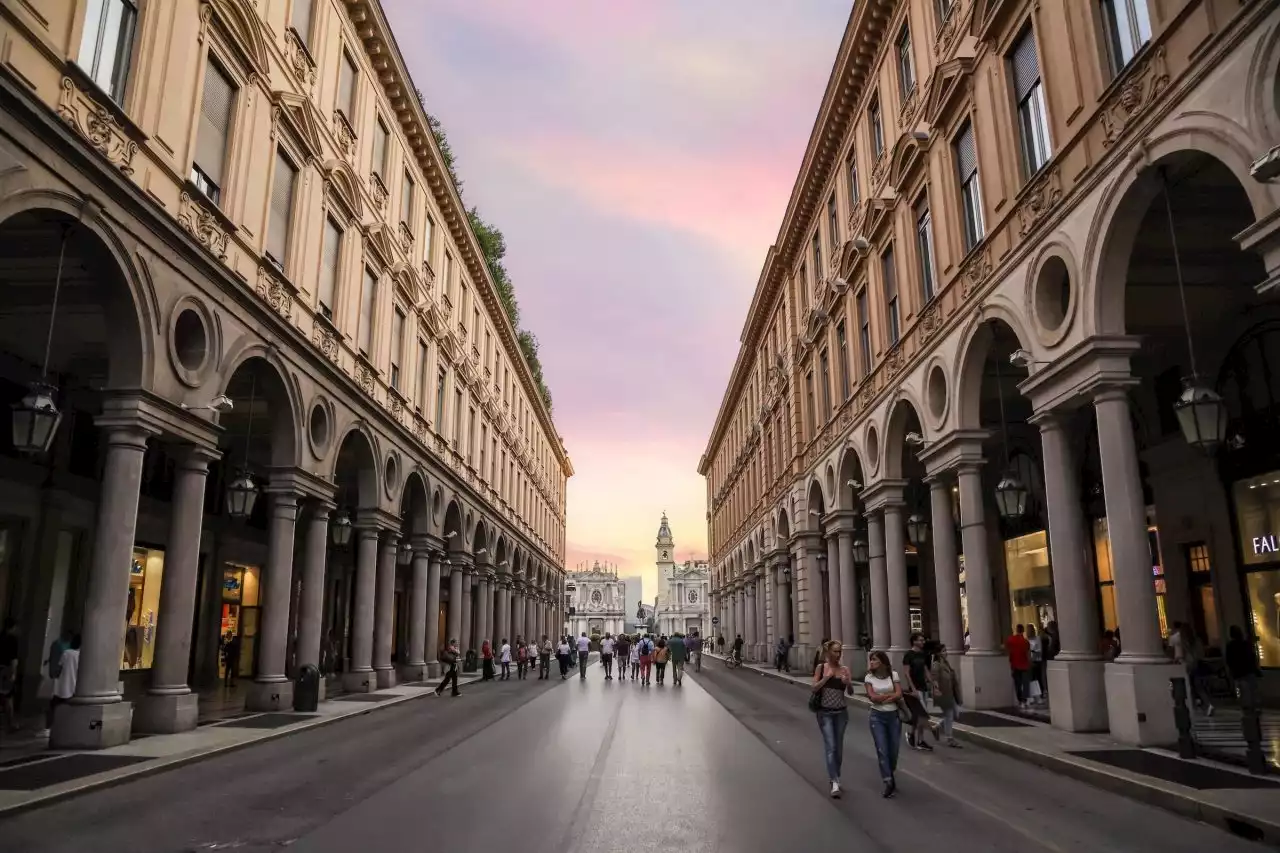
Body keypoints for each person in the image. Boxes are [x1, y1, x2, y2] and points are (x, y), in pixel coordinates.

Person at [812, 640, 854, 798]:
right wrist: (826, 678)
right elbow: (814, 687)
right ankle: (834, 781)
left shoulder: (844, 669)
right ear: (828, 652)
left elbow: (850, 693)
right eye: (835, 651)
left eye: (840, 651)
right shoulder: (821, 668)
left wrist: (848, 683)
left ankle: (836, 775)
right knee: (831, 747)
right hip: (825, 713)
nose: (838, 654)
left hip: (841, 713)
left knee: (839, 748)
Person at [864, 650, 904, 798]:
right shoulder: (869, 677)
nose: (872, 662)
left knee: (893, 751)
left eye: (874, 660)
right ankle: (888, 781)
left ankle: (890, 772)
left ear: (882, 661)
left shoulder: (893, 675)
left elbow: (899, 693)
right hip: (877, 717)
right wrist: (889, 696)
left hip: (893, 717)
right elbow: (872, 697)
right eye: (871, 660)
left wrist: (885, 697)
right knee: (882, 749)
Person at [39, 634, 80, 738]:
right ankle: (70, 728)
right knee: (72, 709)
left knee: (53, 706)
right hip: (75, 686)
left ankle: (48, 729)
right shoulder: (81, 655)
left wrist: (54, 674)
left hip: (62, 686)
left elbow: (59, 668)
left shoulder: (66, 653)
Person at [901, 632, 933, 751]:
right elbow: (906, 673)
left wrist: (932, 683)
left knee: (919, 715)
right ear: (914, 641)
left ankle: (913, 735)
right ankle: (920, 740)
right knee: (921, 715)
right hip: (915, 689)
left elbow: (925, 670)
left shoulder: (923, 654)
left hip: (923, 687)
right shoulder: (908, 655)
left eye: (923, 640)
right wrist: (913, 689)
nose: (923, 642)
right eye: (920, 640)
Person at [1176, 623, 1214, 716]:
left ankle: (1201, 706)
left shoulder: (1184, 642)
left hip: (1191, 666)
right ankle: (1206, 704)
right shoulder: (1197, 641)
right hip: (1199, 665)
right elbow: (1201, 653)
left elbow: (1183, 655)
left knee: (1195, 688)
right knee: (1201, 688)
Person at [930, 643, 962, 748]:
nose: (945, 653)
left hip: (950, 693)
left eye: (945, 650)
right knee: (949, 715)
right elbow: (934, 679)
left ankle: (936, 727)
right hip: (943, 693)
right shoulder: (936, 664)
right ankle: (950, 738)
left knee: (955, 714)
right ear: (938, 653)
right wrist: (936, 689)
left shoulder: (946, 663)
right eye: (943, 651)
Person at [1226, 624, 1261, 709]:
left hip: (1239, 673)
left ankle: (1247, 707)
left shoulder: (1230, 646)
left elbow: (1229, 661)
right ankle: (1254, 706)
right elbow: (1252, 657)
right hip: (1248, 671)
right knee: (1252, 690)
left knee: (1243, 691)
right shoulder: (1245, 644)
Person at [1006, 624, 1031, 707]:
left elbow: (1008, 651)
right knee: (1025, 683)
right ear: (1023, 631)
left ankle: (1020, 700)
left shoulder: (1011, 640)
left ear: (1016, 630)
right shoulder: (1026, 642)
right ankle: (1025, 699)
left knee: (1018, 683)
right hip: (1024, 664)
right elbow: (1028, 654)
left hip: (1015, 664)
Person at [1026, 624, 1044, 706]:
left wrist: (1032, 651)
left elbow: (1039, 650)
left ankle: (1040, 694)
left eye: (1029, 629)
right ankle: (1033, 695)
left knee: (1037, 678)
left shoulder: (1037, 639)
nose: (1028, 631)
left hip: (1037, 660)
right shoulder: (1027, 640)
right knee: (1032, 679)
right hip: (1030, 661)